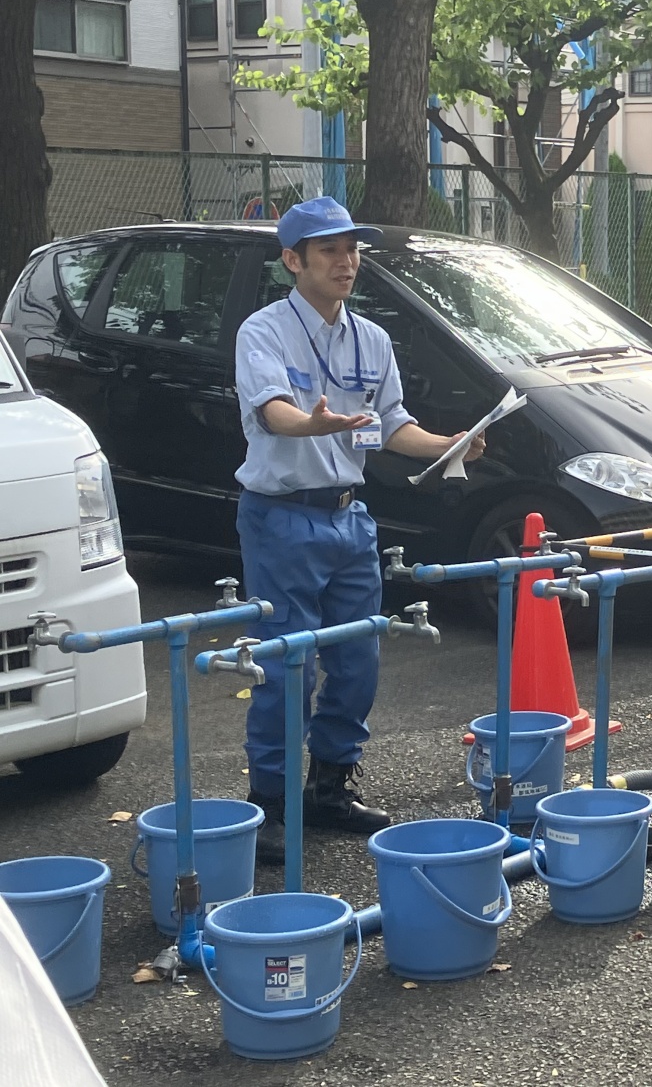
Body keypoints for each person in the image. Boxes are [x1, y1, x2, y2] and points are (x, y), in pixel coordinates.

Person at [234, 196, 487, 864]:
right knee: (288, 660)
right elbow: (275, 414)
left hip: (350, 515)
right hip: (281, 516)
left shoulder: (371, 339)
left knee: (358, 661)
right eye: (330, 251)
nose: (347, 262)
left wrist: (447, 443)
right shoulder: (262, 332)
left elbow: (391, 423)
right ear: (294, 261)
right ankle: (269, 802)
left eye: (352, 250)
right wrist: (311, 422)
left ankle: (330, 787)